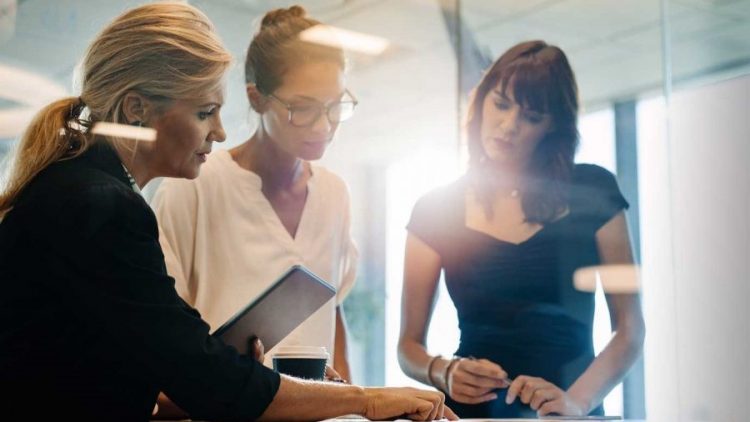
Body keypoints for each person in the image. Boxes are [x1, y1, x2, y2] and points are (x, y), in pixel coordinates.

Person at [0, 3, 455, 421]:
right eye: (205, 112)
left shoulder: (78, 189)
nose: (218, 131)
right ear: (136, 109)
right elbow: (208, 380)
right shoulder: (103, 206)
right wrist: (365, 399)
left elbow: (141, 373)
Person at [397, 40, 645, 418]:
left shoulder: (595, 192)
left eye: (531, 117)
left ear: (553, 128)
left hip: (569, 410)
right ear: (480, 102)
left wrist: (576, 401)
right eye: (501, 104)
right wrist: (443, 371)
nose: (509, 126)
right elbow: (408, 346)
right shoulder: (435, 209)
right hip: (470, 412)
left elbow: (629, 329)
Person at [151, 5, 357, 382]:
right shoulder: (194, 184)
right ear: (257, 98)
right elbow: (164, 327)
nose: (324, 125)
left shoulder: (334, 194)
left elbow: (332, 312)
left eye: (335, 106)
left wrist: (354, 402)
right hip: (221, 407)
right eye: (302, 108)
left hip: (316, 411)